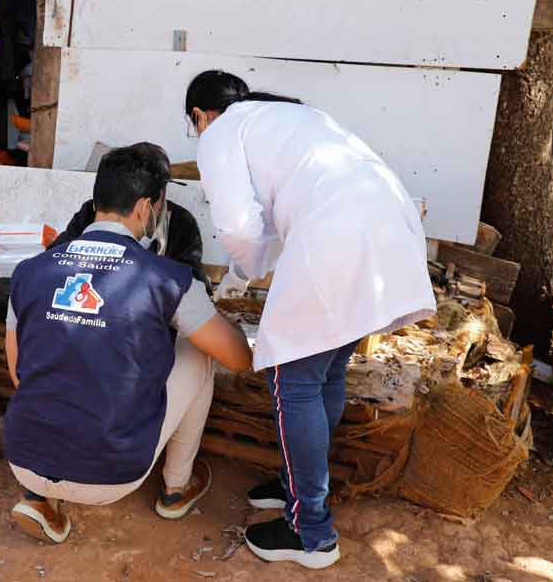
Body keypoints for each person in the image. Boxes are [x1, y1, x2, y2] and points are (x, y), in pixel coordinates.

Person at [186, 70, 436, 569]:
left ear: (199, 115)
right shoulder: (293, 116)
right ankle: (296, 486)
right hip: (384, 226)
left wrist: (245, 270)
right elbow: (284, 210)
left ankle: (311, 532)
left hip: (341, 236)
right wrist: (255, 265)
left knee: (292, 380)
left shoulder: (220, 131)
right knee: (325, 372)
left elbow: (239, 224)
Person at [2, 145, 253, 544]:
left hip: (23, 459)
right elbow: (237, 359)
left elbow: (19, 372)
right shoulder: (166, 277)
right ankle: (176, 488)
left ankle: (41, 498)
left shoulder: (31, 271)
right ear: (146, 208)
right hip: (111, 474)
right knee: (200, 348)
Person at [0, 142, 210, 459]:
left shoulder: (180, 225)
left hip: (121, 319)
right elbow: (54, 262)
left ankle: (24, 413)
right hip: (72, 296)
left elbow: (191, 291)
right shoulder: (93, 212)